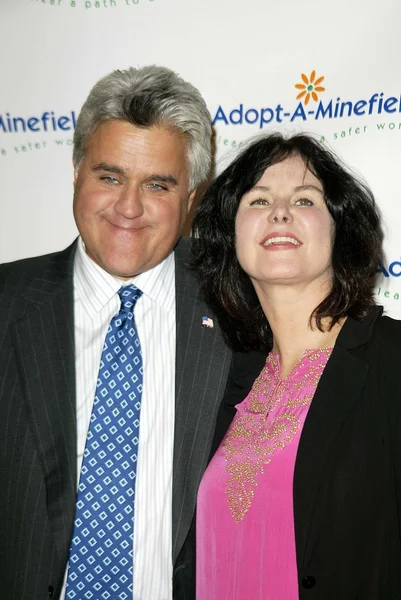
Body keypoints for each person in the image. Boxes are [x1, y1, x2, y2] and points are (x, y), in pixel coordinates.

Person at [0, 65, 238, 600]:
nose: (128, 208)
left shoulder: (242, 309)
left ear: (193, 196)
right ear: (77, 172)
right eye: (109, 177)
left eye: (158, 184)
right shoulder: (6, 304)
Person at [193, 132, 401, 599]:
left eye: (304, 199)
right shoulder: (223, 376)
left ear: (340, 229)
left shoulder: (392, 361)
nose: (280, 211)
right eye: (259, 199)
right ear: (231, 234)